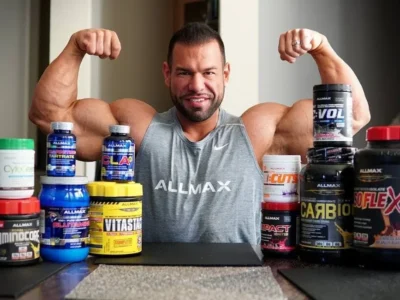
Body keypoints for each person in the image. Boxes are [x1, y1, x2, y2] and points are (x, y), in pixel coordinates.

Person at [29, 23, 370, 245]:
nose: (197, 85)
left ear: (225, 73)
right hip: (148, 282)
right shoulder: (138, 128)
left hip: (238, 283)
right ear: (167, 74)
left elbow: (352, 117)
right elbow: (50, 116)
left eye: (208, 72)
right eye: (184, 73)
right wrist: (75, 48)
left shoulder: (256, 131)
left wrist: (322, 48)